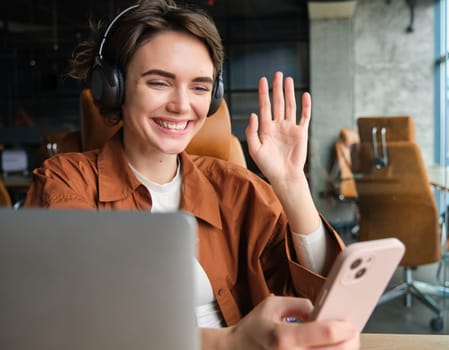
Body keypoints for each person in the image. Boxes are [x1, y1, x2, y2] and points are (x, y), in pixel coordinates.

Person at [24, 0, 360, 348]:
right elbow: (74, 322)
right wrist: (228, 341)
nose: (182, 105)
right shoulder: (66, 182)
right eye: (159, 83)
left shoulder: (237, 188)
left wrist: (292, 185)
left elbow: (320, 297)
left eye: (200, 87)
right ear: (114, 88)